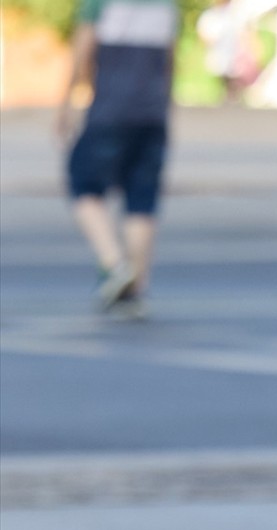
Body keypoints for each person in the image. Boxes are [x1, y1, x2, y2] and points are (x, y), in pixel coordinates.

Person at [56, 0, 178, 319]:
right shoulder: (165, 4)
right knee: (142, 199)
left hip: (110, 109)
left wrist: (68, 100)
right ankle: (136, 290)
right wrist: (166, 103)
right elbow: (170, 58)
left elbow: (84, 47)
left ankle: (115, 264)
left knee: (83, 182)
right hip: (152, 112)